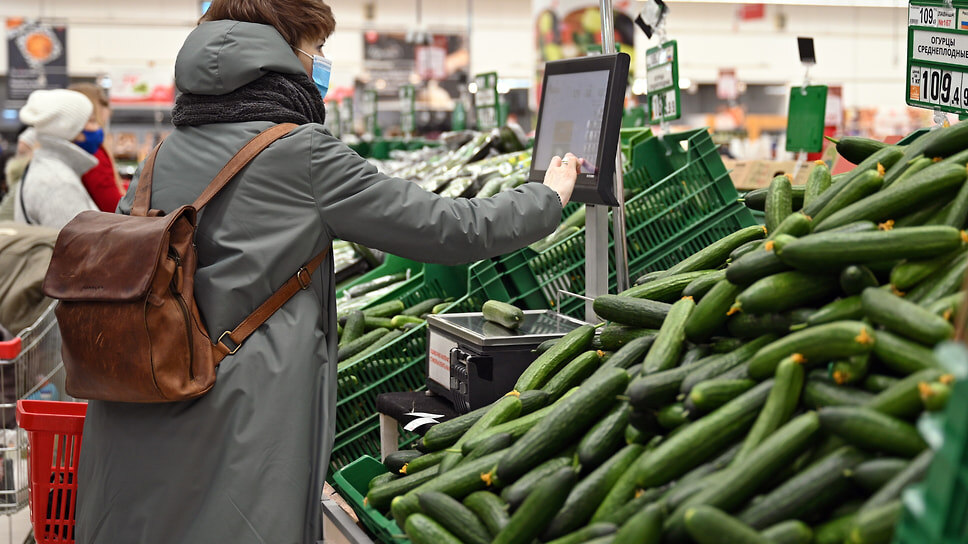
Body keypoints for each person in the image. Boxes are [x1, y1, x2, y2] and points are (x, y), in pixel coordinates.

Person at [74, 1, 580, 543]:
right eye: (316, 48)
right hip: (242, 414)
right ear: (284, 50)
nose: (320, 62)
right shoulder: (302, 153)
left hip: (144, 400)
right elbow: (446, 227)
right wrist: (545, 198)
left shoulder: (163, 153)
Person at [14, 89, 99, 229]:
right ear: (68, 129)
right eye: (91, 121)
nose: (97, 128)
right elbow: (79, 247)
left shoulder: (47, 168)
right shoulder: (59, 183)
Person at [68, 82, 125, 213]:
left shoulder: (68, 151)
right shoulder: (92, 153)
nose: (109, 111)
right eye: (103, 104)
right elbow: (114, 207)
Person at [0, 128, 38, 222]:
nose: (19, 159)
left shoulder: (26, 182)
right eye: (19, 153)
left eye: (23, 153)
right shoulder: (21, 181)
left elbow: (4, 215)